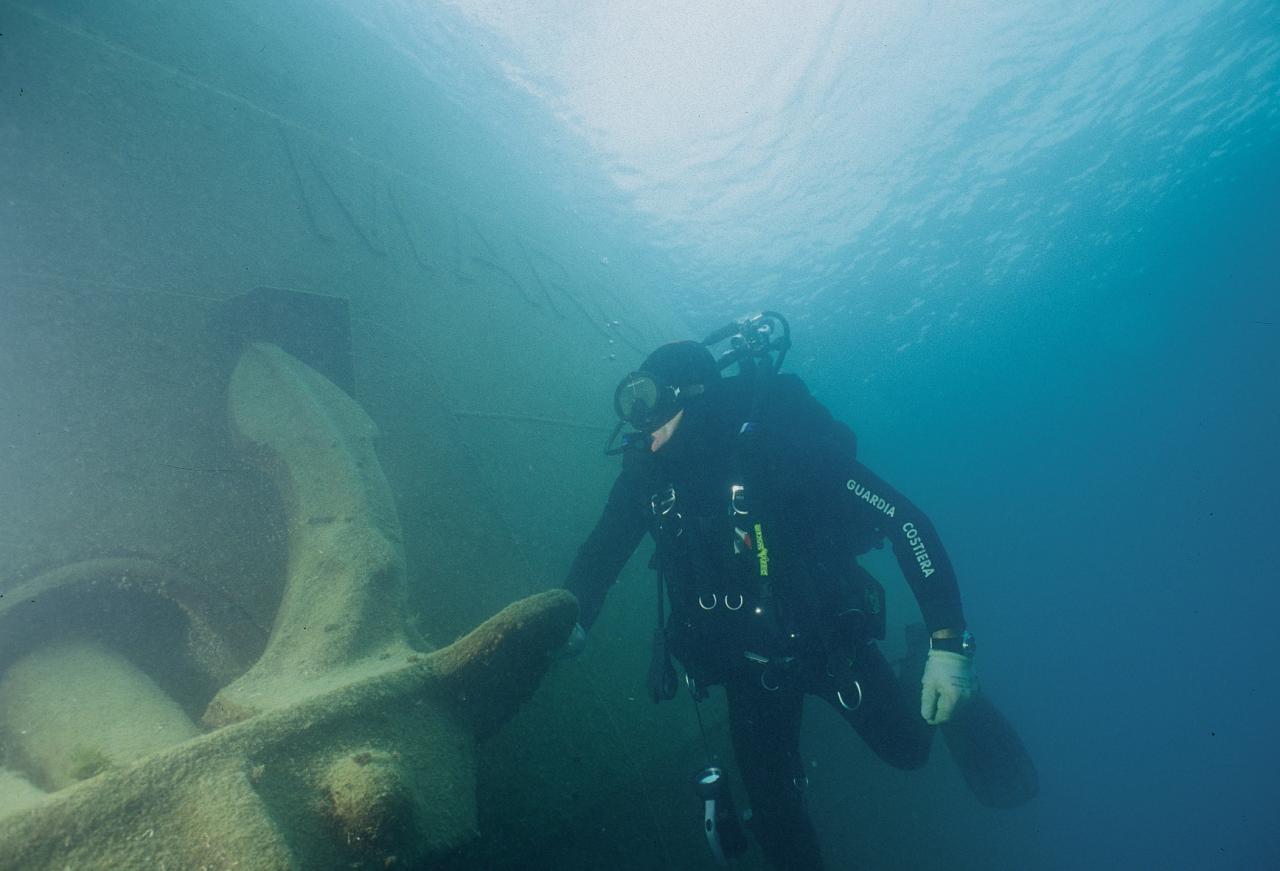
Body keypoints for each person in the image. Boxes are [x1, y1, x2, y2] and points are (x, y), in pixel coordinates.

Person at [562, 314, 1036, 870]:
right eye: (632, 402)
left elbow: (905, 521)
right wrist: (572, 616)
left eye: (648, 401)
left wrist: (948, 646)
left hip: (827, 646)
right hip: (744, 670)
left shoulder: (783, 448)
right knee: (782, 832)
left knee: (909, 751)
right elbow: (604, 547)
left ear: (694, 395)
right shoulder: (647, 475)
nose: (640, 424)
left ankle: (915, 667)